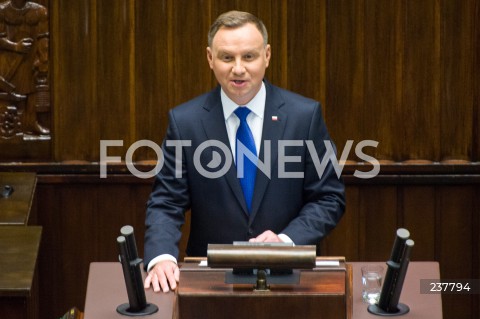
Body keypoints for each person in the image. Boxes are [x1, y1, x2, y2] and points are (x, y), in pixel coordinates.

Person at [144, 10, 345, 293]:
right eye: (227, 57)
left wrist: (286, 241)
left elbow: (328, 197)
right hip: (212, 281)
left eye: (248, 56)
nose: (238, 68)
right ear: (210, 59)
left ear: (267, 55)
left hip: (291, 277)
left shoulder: (304, 116)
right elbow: (166, 201)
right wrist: (162, 256)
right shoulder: (185, 122)